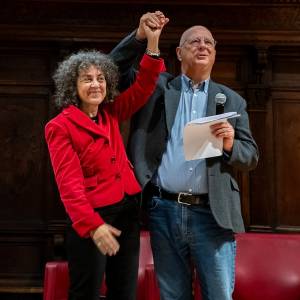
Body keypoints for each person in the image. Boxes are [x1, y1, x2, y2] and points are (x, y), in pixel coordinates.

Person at [112, 23, 259, 300]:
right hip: (163, 210)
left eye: (209, 43)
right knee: (173, 296)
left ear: (214, 54)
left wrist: (229, 144)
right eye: (194, 42)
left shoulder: (232, 100)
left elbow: (250, 156)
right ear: (179, 52)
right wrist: (140, 36)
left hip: (212, 214)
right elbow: (114, 68)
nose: (203, 45)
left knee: (218, 295)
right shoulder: (157, 87)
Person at [45, 12, 168, 300]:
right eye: (87, 79)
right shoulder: (59, 126)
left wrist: (152, 44)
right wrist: (93, 225)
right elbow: (70, 187)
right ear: (72, 87)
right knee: (85, 292)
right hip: (92, 218)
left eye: (101, 78)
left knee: (124, 291)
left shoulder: (110, 112)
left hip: (127, 211)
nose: (96, 84)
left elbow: (144, 87)